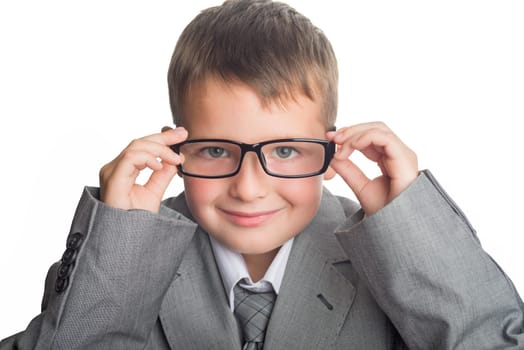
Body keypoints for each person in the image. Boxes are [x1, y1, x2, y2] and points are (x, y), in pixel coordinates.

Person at [1, 0, 523, 348]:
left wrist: (414, 236)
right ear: (172, 146)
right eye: (213, 151)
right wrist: (117, 242)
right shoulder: (122, 259)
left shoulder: (397, 263)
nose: (249, 189)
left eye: (289, 151)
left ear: (332, 145)